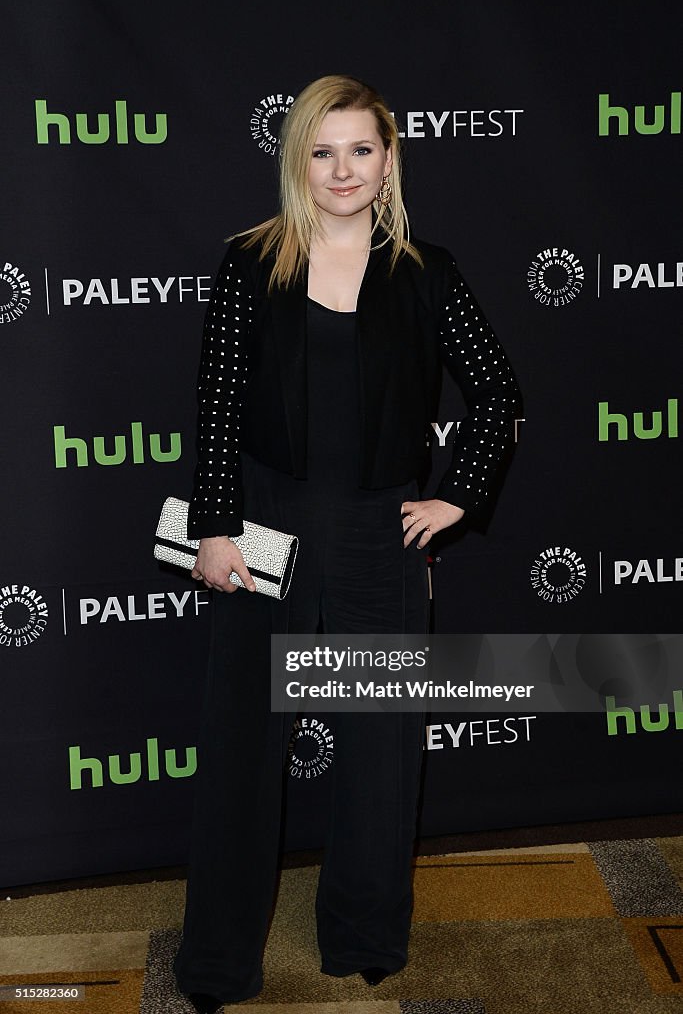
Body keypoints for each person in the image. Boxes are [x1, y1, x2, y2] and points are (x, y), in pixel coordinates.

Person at [173, 74, 522, 1013]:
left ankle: (364, 937)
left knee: (379, 758)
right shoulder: (251, 263)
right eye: (321, 150)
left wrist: (454, 499)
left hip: (379, 536)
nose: (341, 169)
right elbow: (215, 406)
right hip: (263, 528)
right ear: (297, 160)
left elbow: (497, 396)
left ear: (388, 158)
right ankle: (217, 960)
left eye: (360, 149)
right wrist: (212, 524)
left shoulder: (426, 271)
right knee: (243, 759)